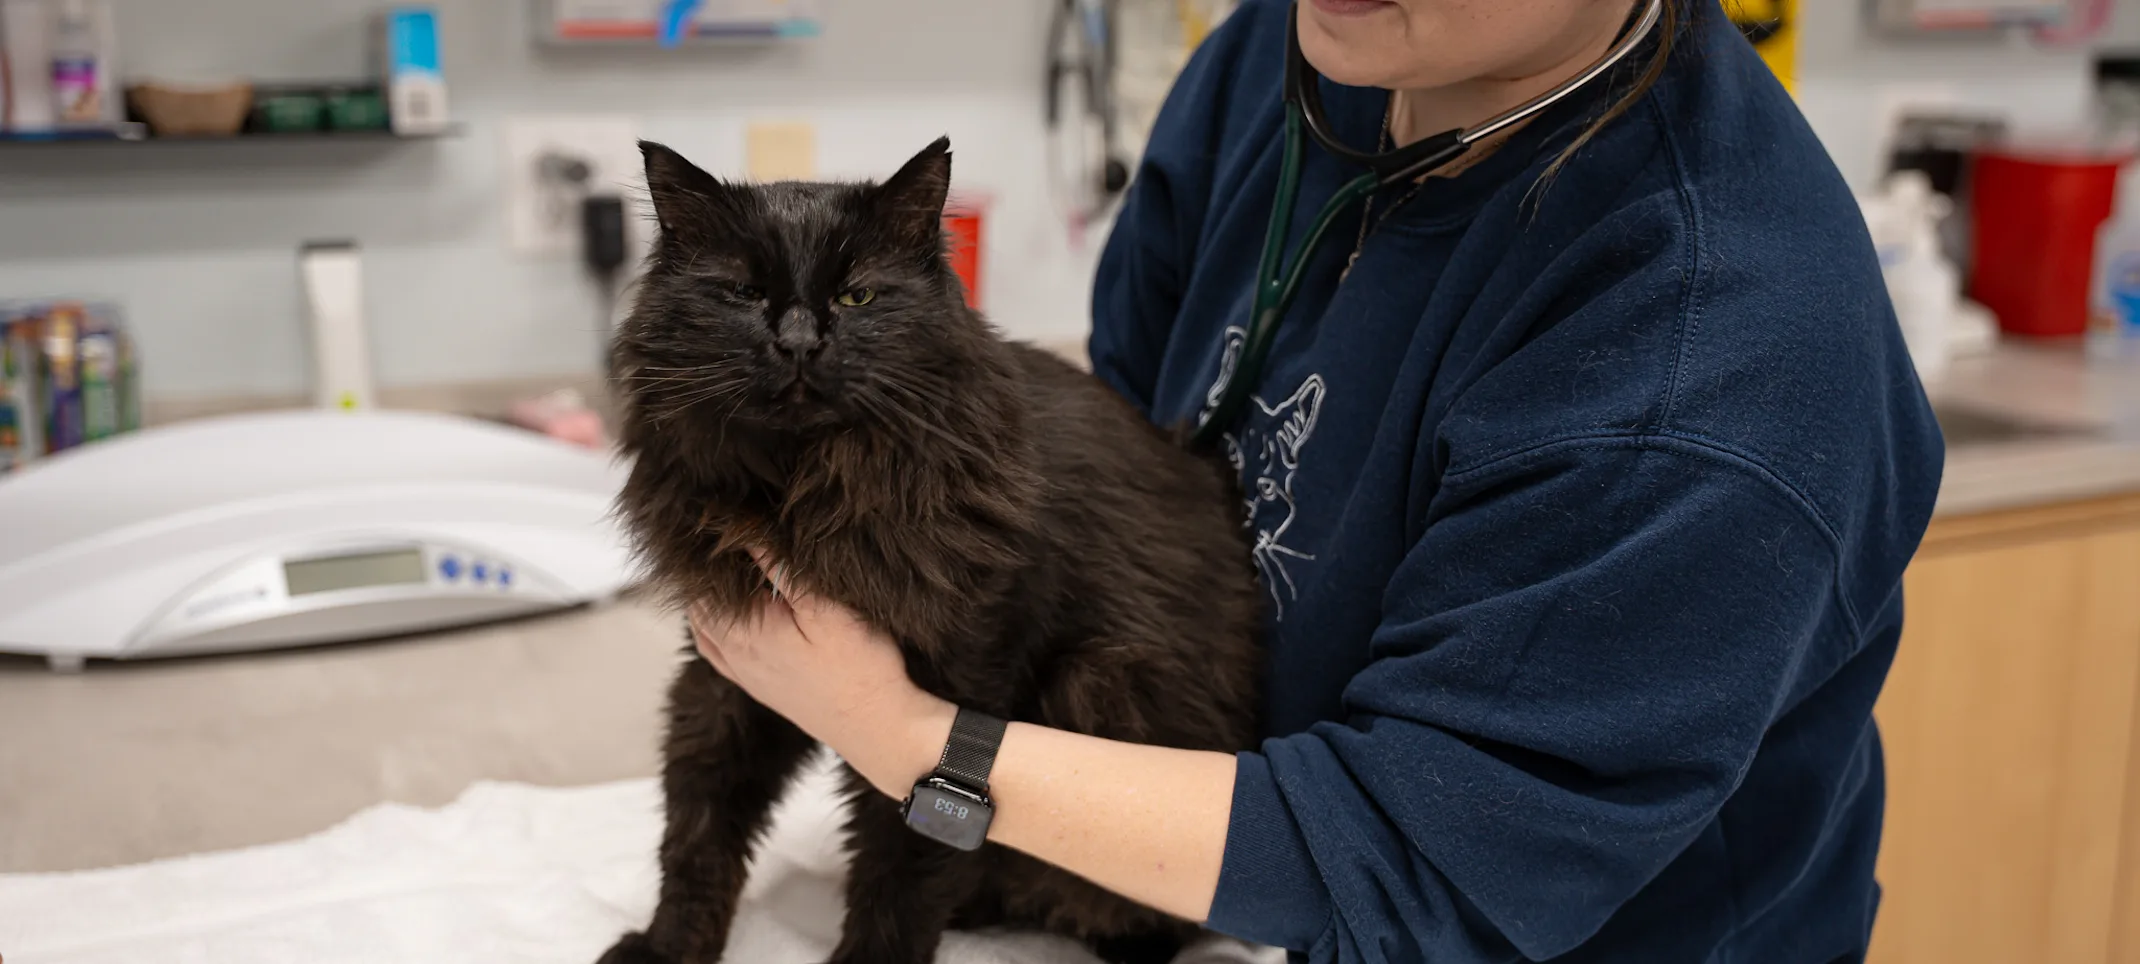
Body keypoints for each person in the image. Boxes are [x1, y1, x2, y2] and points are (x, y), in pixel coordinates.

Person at [687, 0, 1944, 961]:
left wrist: (911, 741)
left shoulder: (1702, 350)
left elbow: (1423, 861)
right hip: (1242, 891)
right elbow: (1127, 431)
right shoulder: (1312, 50)